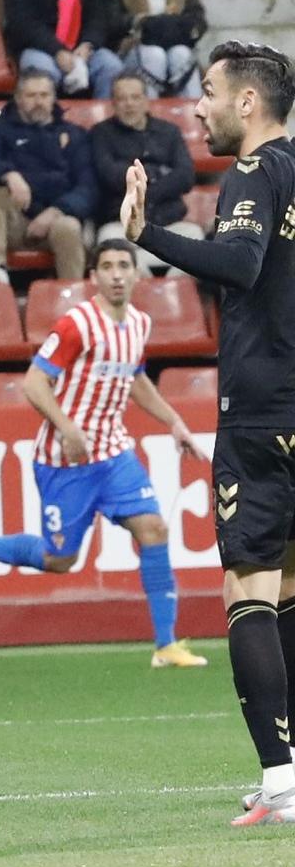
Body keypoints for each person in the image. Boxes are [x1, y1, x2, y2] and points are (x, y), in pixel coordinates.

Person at [122, 42, 295, 825]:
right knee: (289, 591)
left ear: (248, 103)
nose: (198, 107)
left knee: (246, 592)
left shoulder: (256, 174)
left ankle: (283, 782)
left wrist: (147, 234)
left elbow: (240, 261)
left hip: (262, 412)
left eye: (209, 92)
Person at [0, 239, 208, 670]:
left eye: (123, 266)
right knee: (60, 559)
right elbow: (34, 383)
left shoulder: (138, 324)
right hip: (65, 462)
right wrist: (66, 426)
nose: (117, 274)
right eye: (108, 267)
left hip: (113, 454)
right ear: (93, 277)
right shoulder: (77, 324)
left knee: (153, 529)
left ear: (136, 274)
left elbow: (135, 380)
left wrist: (174, 422)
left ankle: (166, 645)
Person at [0, 68, 95, 284]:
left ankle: (71, 294)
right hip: (13, 221)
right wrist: (9, 174)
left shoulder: (74, 134)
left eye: (44, 95)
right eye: (31, 96)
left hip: (56, 219)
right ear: (18, 99)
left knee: (69, 227)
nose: (38, 102)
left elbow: (88, 186)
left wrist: (56, 211)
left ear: (53, 98)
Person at [92, 73, 202, 266]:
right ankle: (144, 291)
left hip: (169, 222)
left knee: (197, 239)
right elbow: (109, 175)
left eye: (135, 97)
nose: (129, 104)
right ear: (113, 103)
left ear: (146, 100)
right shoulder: (101, 133)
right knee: (109, 243)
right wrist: (159, 173)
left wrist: (142, 184)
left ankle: (176, 292)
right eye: (122, 98)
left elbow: (186, 176)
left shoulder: (170, 131)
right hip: (122, 225)